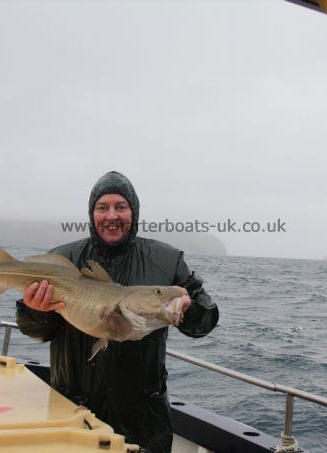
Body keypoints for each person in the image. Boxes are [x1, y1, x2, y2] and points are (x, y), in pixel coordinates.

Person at [16, 171, 219, 453]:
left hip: (143, 420)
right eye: (103, 207)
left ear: (133, 213)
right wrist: (35, 311)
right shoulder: (63, 261)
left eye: (121, 207)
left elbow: (206, 320)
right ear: (91, 213)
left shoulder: (167, 260)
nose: (112, 215)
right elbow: (37, 331)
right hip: (72, 411)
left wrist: (189, 311)